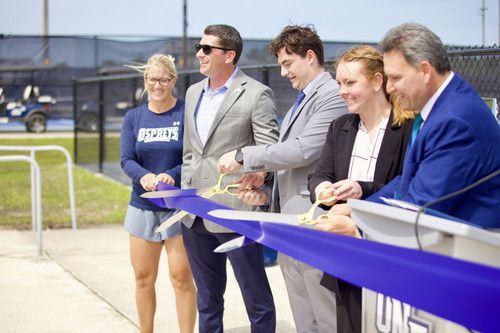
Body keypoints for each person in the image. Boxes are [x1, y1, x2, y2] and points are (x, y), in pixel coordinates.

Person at [218, 25, 348, 333]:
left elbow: (303, 151)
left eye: (288, 63)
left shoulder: (331, 96)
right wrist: (265, 191)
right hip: (290, 223)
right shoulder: (301, 101)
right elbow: (293, 164)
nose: (284, 72)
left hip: (315, 223)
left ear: (310, 56)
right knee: (305, 320)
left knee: (326, 319)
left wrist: (243, 155)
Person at [325, 23, 500, 228]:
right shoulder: (443, 107)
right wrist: (358, 209)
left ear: (425, 71)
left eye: (396, 78)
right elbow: (409, 181)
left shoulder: (454, 122)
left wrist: (357, 224)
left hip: (467, 251)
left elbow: (422, 208)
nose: (389, 87)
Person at [307, 45, 416, 333]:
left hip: (389, 254)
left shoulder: (408, 128)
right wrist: (322, 190)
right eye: (340, 83)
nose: (342, 90)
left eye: (350, 82)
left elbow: (408, 187)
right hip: (346, 255)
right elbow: (319, 175)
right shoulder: (340, 126)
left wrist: (362, 189)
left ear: (378, 81)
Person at [180, 24, 279, 332]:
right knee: (207, 299)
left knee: (255, 298)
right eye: (199, 47)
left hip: (236, 212)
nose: (199, 53)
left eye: (207, 49)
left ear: (229, 55)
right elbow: (190, 152)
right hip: (194, 212)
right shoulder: (193, 91)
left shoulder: (257, 93)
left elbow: (270, 150)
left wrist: (254, 177)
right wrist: (185, 193)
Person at [120, 54, 197, 333]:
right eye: (152, 79)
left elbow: (192, 157)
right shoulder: (134, 117)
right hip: (142, 207)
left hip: (177, 208)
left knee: (181, 278)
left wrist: (172, 175)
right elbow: (127, 160)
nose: (158, 85)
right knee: (143, 277)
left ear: (173, 81)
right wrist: (145, 176)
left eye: (164, 79)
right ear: (145, 80)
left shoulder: (186, 113)